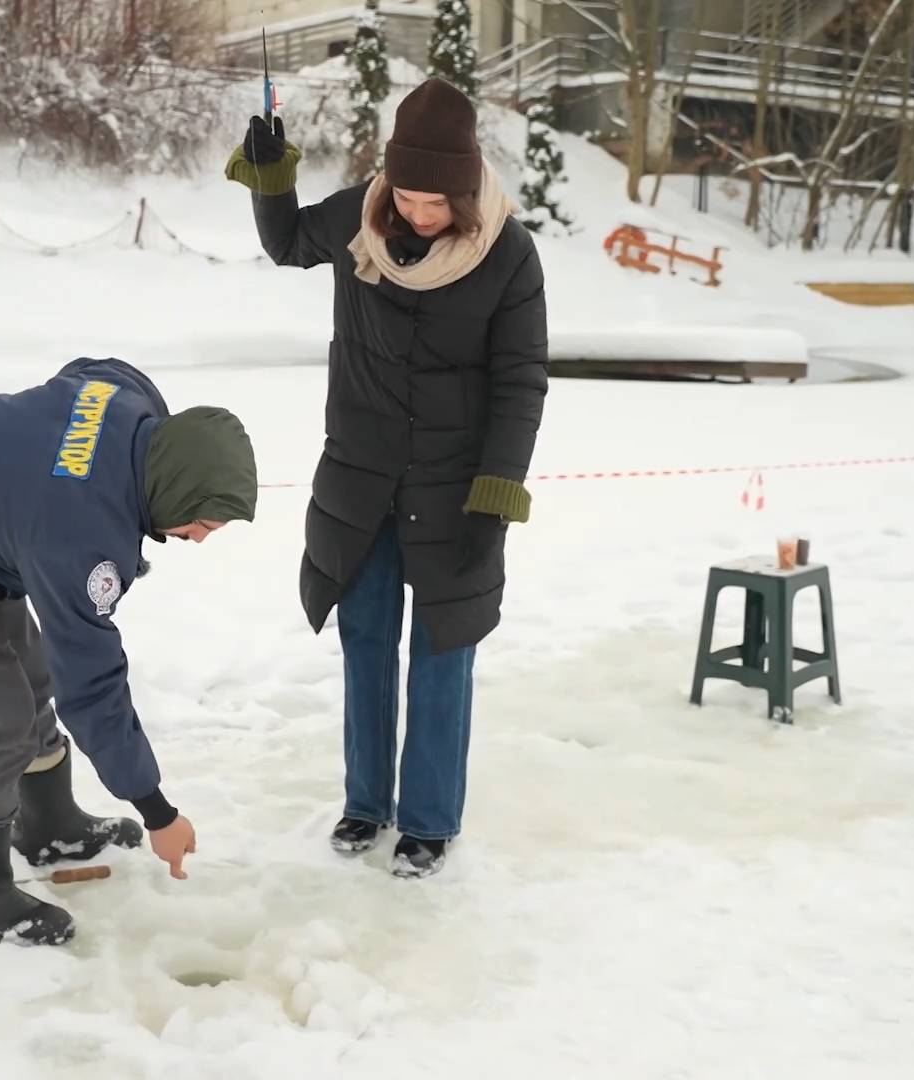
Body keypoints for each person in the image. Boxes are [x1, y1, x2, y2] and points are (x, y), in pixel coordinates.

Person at [225, 79, 549, 879]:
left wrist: (495, 499)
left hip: (452, 491)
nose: (417, 213)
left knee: (444, 651)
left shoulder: (509, 254)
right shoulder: (362, 219)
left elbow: (521, 381)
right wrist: (271, 176)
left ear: (467, 192)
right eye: (406, 194)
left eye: (436, 202)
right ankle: (366, 802)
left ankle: (430, 822)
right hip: (361, 478)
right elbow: (288, 242)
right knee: (365, 639)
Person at [0, 356, 258, 945]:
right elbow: (92, 688)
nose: (197, 539)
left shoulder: (131, 406)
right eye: (203, 524)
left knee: (30, 675)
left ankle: (48, 826)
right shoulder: (83, 541)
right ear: (176, 487)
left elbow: (95, 369)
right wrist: (158, 814)